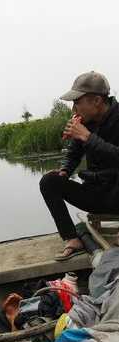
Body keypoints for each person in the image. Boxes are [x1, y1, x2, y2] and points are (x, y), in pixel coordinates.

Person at [39, 71, 119, 260]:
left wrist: (88, 137)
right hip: (97, 194)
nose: (74, 109)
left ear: (97, 101)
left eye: (77, 102)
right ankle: (72, 239)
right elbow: (74, 153)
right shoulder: (86, 122)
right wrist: (65, 170)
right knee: (49, 182)